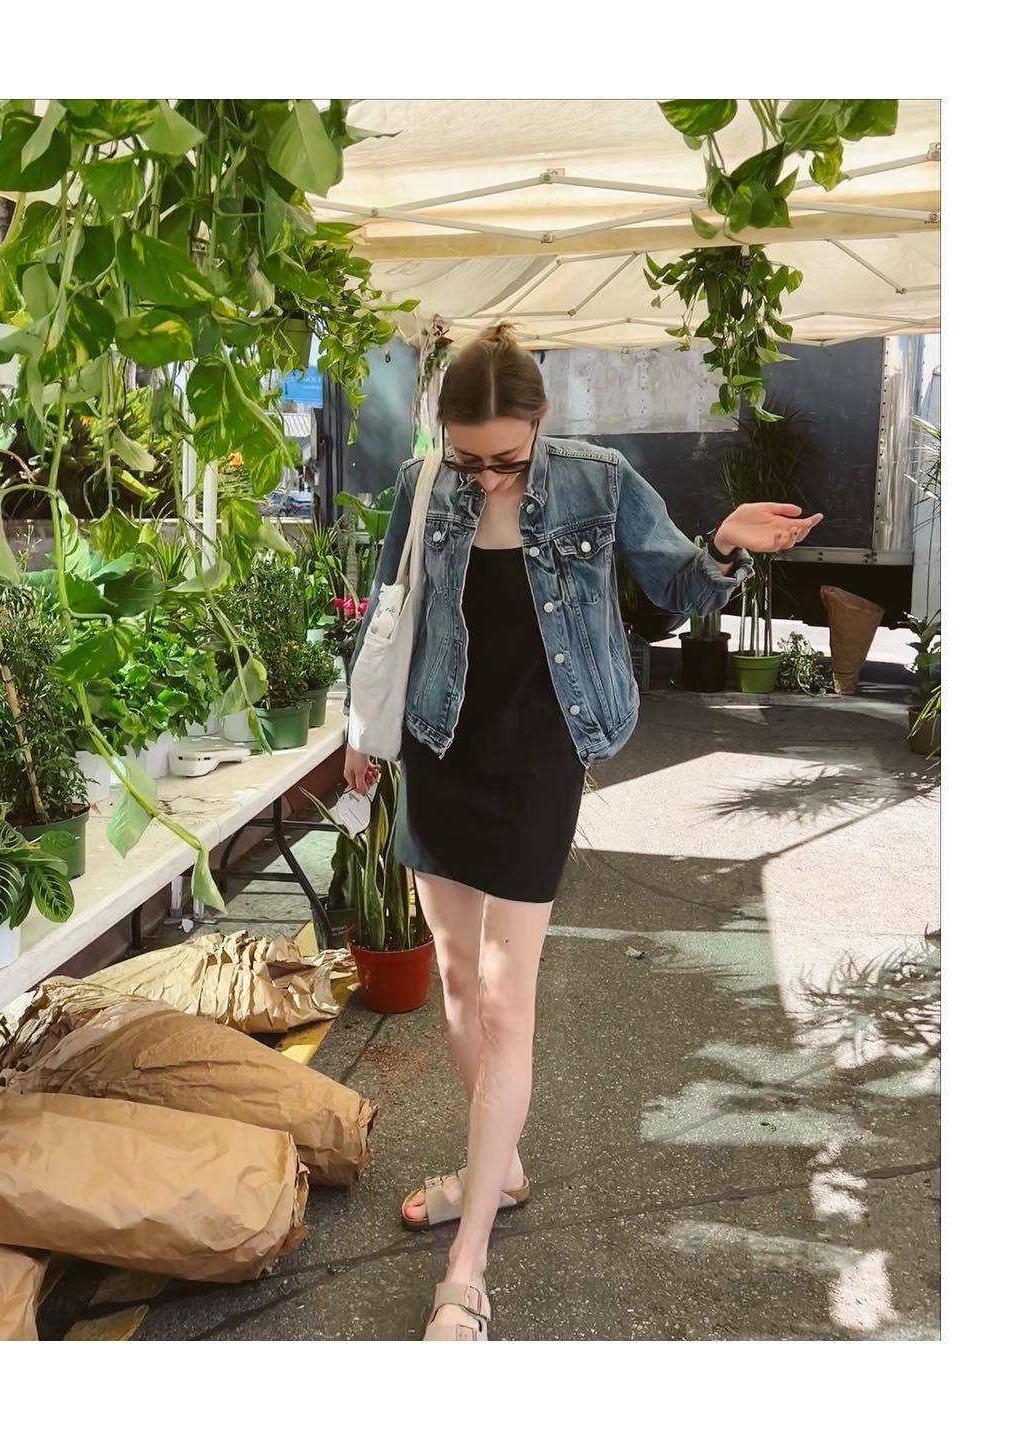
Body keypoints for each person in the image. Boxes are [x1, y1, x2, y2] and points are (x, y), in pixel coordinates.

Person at [343, 323, 823, 1341]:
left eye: (505, 460)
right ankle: (501, 1168)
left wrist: (725, 544)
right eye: (468, 459)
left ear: (542, 425)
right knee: (457, 985)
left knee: (506, 1001)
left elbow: (676, 587)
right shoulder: (422, 488)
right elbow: (390, 609)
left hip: (538, 762)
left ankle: (468, 1269)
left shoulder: (599, 481)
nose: (485, 478)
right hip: (437, 748)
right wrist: (360, 734)